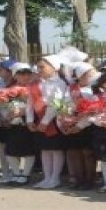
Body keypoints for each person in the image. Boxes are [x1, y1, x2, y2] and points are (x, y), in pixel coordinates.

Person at [26, 54, 68, 189]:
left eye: (42, 67)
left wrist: (45, 121)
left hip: (53, 120)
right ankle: (47, 177)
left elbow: (56, 104)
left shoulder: (60, 83)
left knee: (55, 149)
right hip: (39, 119)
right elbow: (30, 102)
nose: (39, 70)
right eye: (38, 67)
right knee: (44, 149)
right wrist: (29, 119)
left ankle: (55, 178)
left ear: (54, 68)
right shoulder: (36, 84)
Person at [62, 62, 101, 191]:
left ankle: (90, 180)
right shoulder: (70, 89)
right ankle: (78, 179)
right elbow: (64, 105)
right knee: (75, 152)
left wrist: (80, 125)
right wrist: (65, 122)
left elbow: (94, 110)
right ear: (81, 76)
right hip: (72, 125)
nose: (93, 77)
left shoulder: (94, 89)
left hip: (87, 125)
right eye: (90, 74)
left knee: (87, 153)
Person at [2, 62, 36, 186]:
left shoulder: (35, 88)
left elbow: (39, 104)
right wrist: (7, 115)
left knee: (29, 149)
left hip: (29, 122)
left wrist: (23, 111)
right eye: (21, 74)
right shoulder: (8, 89)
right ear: (15, 75)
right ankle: (16, 173)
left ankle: (26, 174)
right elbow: (3, 105)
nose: (25, 77)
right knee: (11, 149)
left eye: (28, 74)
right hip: (13, 122)